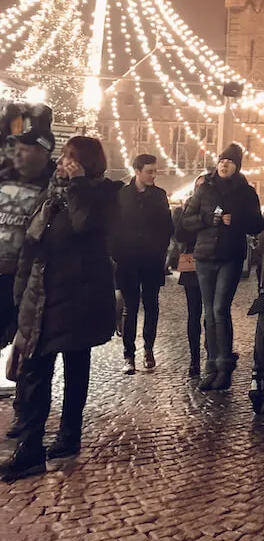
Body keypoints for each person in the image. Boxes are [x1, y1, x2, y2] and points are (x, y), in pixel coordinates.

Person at [0, 136, 119, 482]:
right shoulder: (49, 196)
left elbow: (85, 224)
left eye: (74, 159)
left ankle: (67, 434)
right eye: (65, 157)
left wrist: (79, 183)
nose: (66, 163)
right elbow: (31, 246)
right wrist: (21, 294)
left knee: (74, 365)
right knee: (36, 368)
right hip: (44, 294)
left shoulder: (104, 194)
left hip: (78, 297)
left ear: (89, 163)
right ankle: (32, 446)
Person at [181, 143, 262, 391]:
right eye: (221, 160)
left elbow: (256, 223)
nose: (224, 164)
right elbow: (187, 220)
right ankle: (211, 364)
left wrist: (235, 220)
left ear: (236, 166)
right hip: (205, 255)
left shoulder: (246, 192)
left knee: (219, 310)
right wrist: (210, 219)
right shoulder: (205, 189)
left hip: (230, 256)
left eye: (229, 161)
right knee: (208, 311)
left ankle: (224, 366)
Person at [0, 129, 56, 406]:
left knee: (27, 344)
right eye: (16, 148)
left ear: (43, 153)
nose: (18, 154)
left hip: (28, 278)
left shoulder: (52, 189)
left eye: (25, 149)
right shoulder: (3, 178)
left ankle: (24, 406)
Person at [113, 154, 173, 375]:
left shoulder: (159, 195)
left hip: (151, 259)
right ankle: (129, 354)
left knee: (151, 305)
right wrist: (117, 252)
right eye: (149, 171)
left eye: (155, 171)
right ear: (137, 171)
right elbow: (114, 225)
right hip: (127, 259)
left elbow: (167, 226)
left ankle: (148, 348)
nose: (153, 175)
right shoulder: (122, 195)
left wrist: (160, 249)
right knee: (130, 307)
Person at [172, 198, 205, 377]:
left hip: (212, 263)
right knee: (194, 313)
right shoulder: (190, 209)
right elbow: (180, 234)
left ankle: (214, 355)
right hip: (192, 266)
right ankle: (194, 359)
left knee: (214, 314)